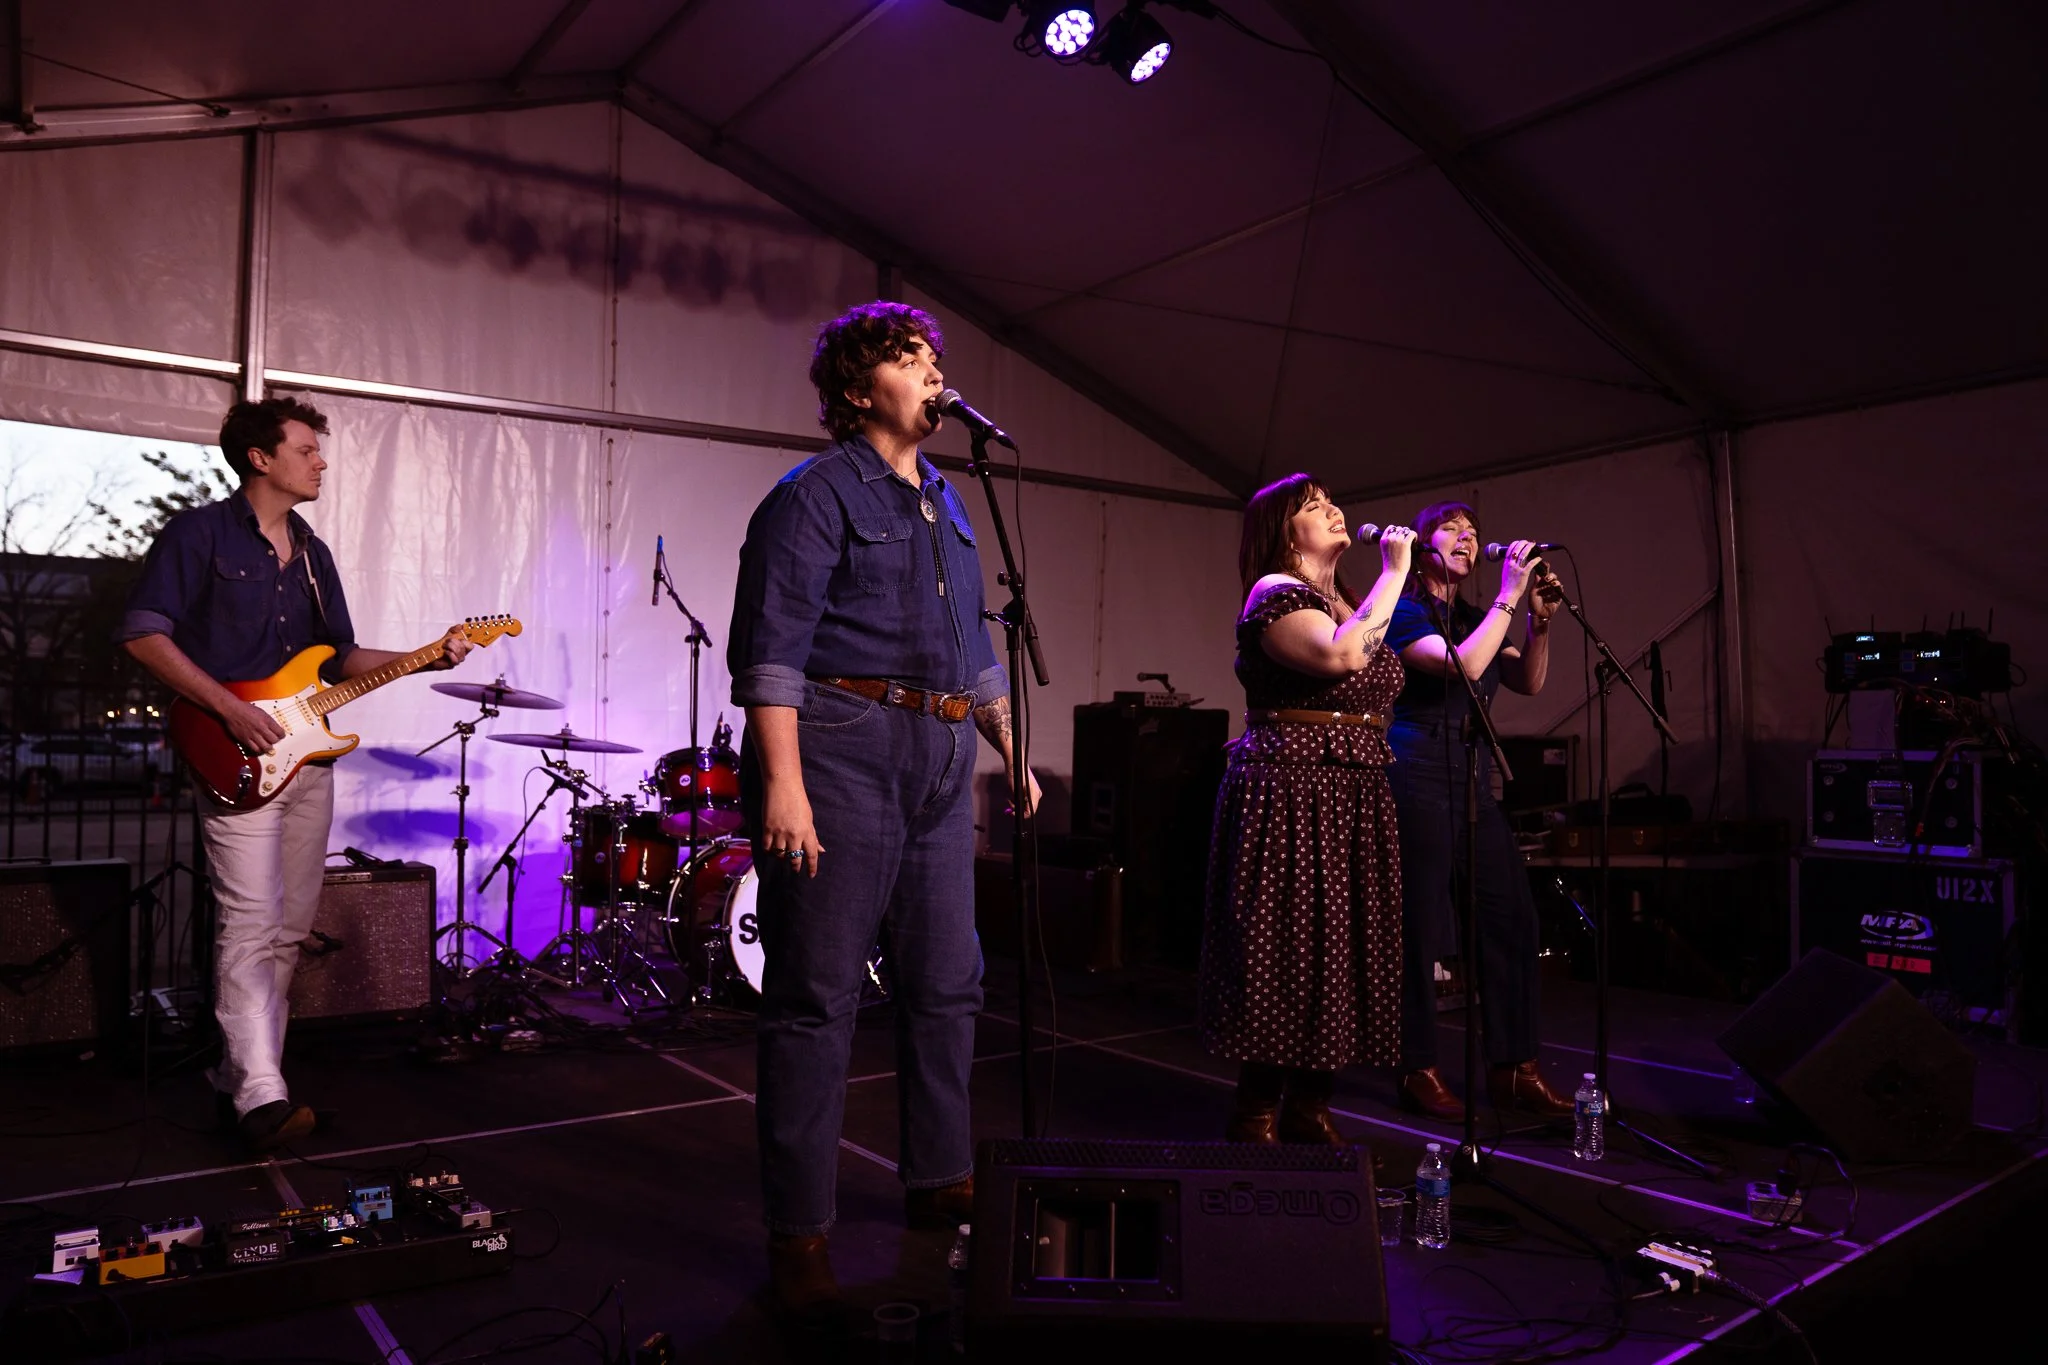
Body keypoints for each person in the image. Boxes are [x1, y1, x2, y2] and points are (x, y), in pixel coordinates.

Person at [727, 301, 1039, 1319]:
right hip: (841, 749)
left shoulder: (947, 499)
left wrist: (1007, 743)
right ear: (862, 388)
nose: (934, 373)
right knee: (816, 998)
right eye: (912, 358)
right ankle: (798, 1228)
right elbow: (770, 649)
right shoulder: (813, 496)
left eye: (936, 357)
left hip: (942, 752)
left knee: (948, 983)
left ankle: (936, 1173)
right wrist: (783, 783)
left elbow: (970, 646)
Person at [120, 396, 472, 1152]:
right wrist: (229, 708)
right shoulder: (199, 535)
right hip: (232, 748)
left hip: (307, 759)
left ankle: (242, 1078)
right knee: (248, 923)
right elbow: (143, 634)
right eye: (307, 449)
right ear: (261, 458)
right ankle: (261, 1093)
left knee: (286, 929)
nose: (321, 461)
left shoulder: (312, 553)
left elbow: (338, 658)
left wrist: (427, 652)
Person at [1198, 473, 1415, 1147]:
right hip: (1292, 784)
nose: (1334, 509)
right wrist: (1399, 569)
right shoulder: (1274, 592)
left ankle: (1311, 1105)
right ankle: (1257, 1110)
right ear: (1285, 531)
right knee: (1284, 941)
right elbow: (1343, 653)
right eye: (1315, 506)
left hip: (1353, 786)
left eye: (1331, 500)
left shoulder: (1344, 596)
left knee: (1341, 944)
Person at [1385, 502, 1574, 1121]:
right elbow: (1464, 667)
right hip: (1416, 773)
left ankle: (1514, 1067)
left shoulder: (1474, 616)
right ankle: (1416, 1064)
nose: (1469, 539)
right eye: (1455, 531)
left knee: (1511, 916)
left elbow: (1530, 683)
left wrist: (1538, 626)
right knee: (1421, 927)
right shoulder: (1405, 612)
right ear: (1424, 543)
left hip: (1471, 778)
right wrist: (1510, 598)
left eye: (1475, 533)